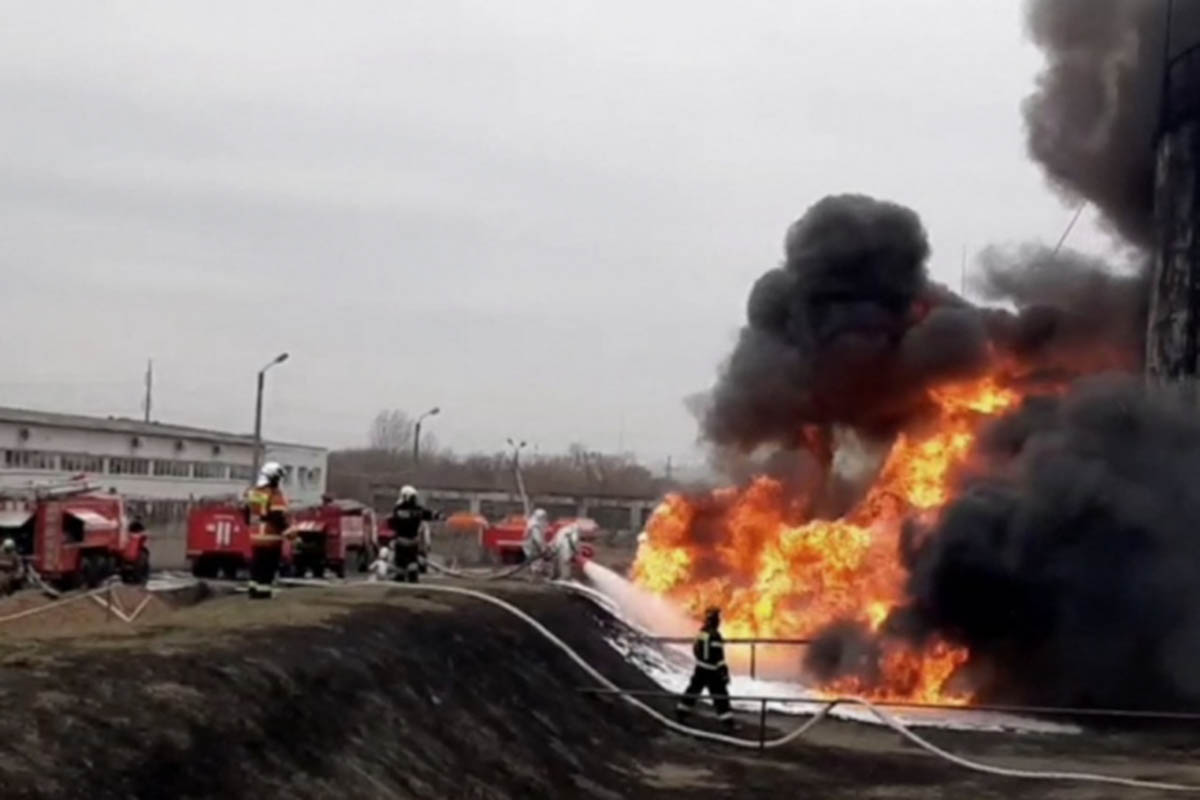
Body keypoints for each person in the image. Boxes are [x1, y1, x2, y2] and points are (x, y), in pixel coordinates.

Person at [676, 607, 736, 730]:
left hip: (700, 668)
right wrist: (724, 673)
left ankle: (681, 713)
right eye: (717, 619)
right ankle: (728, 723)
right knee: (721, 696)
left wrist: (701, 661)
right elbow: (718, 657)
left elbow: (695, 649)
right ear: (715, 621)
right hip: (712, 671)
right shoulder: (715, 636)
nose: (719, 621)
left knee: (693, 690)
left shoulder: (702, 632)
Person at [244, 461, 289, 599]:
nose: (279, 481)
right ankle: (264, 592)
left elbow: (246, 513)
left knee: (257, 563)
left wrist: (252, 525)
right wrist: (288, 531)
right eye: (277, 478)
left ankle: (253, 589)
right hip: (271, 536)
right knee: (268, 565)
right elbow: (277, 516)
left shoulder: (253, 492)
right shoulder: (274, 494)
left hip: (256, 535)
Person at [388, 485, 435, 583]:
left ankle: (400, 577)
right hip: (413, 541)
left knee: (400, 563)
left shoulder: (398, 509)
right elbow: (429, 515)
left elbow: (392, 523)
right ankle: (412, 577)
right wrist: (440, 516)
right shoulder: (418, 510)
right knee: (412, 562)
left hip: (401, 541)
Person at [522, 508, 550, 576]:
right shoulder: (535, 526)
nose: (544, 518)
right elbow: (538, 539)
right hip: (532, 545)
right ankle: (536, 574)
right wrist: (544, 547)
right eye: (543, 517)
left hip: (532, 544)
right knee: (536, 560)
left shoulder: (533, 522)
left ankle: (537, 572)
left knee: (537, 560)